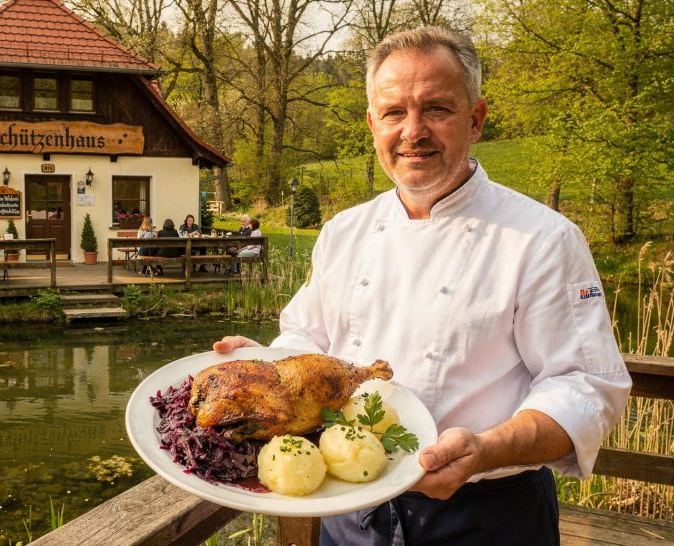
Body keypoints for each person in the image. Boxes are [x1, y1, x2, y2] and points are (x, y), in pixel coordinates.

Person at [213, 26, 630, 546]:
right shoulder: (344, 231)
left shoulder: (543, 239)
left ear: (475, 118)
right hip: (348, 510)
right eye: (393, 112)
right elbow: (308, 339)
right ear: (372, 124)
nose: (413, 131)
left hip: (485, 518)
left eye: (436, 108)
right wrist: (268, 370)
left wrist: (491, 446)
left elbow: (585, 387)